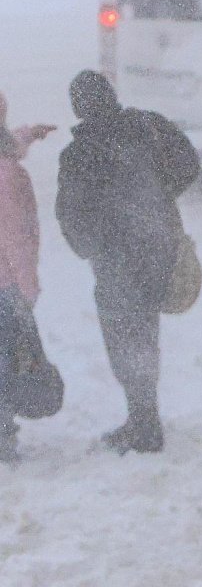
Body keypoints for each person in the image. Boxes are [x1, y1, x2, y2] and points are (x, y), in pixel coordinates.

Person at [56, 70, 199, 454]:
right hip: (158, 248)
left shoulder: (79, 154)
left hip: (117, 261)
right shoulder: (147, 125)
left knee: (125, 339)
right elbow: (189, 163)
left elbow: (70, 217)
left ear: (78, 108)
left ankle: (144, 424)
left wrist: (94, 246)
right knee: (145, 332)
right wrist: (160, 198)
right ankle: (143, 416)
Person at [0, 93, 54, 463]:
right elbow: (17, 236)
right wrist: (28, 287)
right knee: (5, 365)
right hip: (5, 286)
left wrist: (28, 134)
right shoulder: (10, 177)